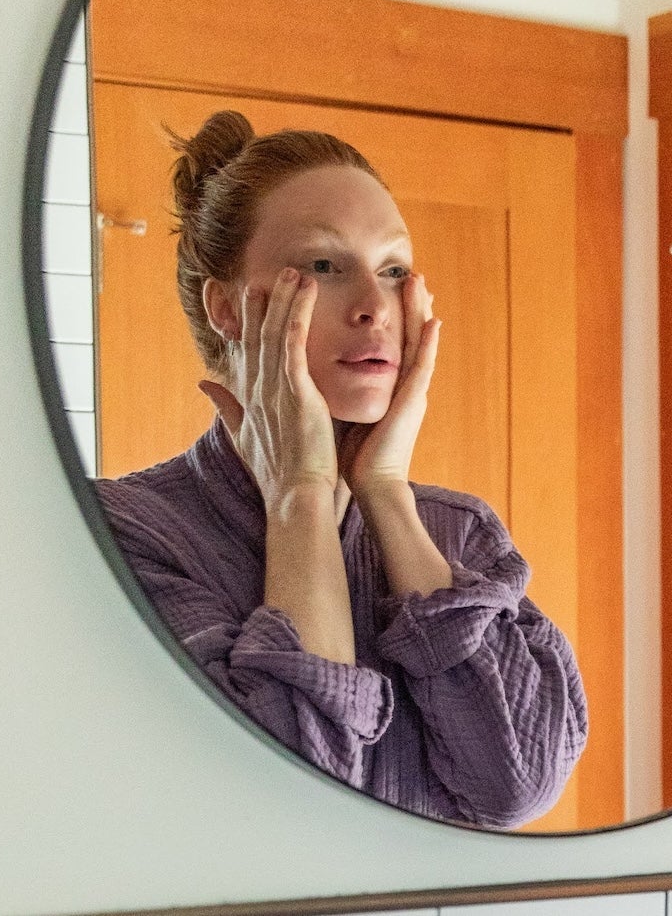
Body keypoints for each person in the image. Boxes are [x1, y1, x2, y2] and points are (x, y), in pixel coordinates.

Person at [95, 111, 586, 829]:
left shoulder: (457, 535)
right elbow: (294, 814)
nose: (374, 308)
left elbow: (516, 784)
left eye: (392, 270)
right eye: (325, 266)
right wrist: (300, 498)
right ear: (229, 308)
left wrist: (384, 494)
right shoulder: (124, 534)